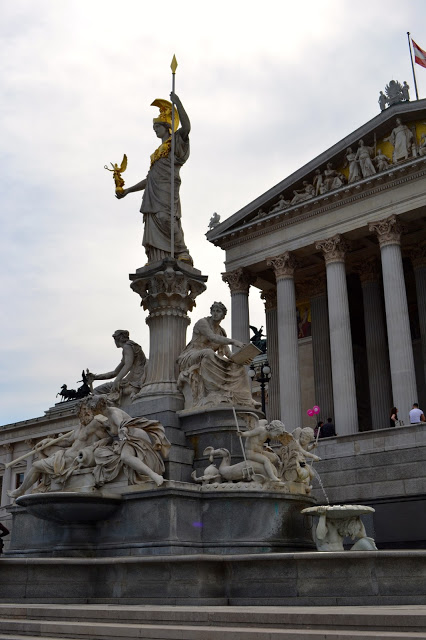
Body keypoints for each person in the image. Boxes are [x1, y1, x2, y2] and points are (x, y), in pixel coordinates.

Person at [116, 92, 192, 265]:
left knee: (166, 217)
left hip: (167, 187)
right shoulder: (156, 153)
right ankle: (157, 258)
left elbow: (187, 127)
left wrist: (178, 103)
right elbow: (149, 179)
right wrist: (128, 190)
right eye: (154, 128)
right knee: (152, 222)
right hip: (153, 191)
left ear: (166, 126)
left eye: (157, 127)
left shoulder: (175, 142)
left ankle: (182, 251)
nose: (155, 130)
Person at [8, 396, 112, 498]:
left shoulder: (95, 424)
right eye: (83, 409)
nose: (86, 412)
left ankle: (20, 491)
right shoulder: (80, 426)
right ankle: (40, 485)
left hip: (73, 460)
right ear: (79, 412)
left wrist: (104, 441)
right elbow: (67, 442)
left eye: (87, 409)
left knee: (36, 466)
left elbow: (109, 437)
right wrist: (49, 441)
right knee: (45, 449)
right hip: (64, 455)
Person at [177, 302, 259, 409]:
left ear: (223, 316)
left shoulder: (221, 332)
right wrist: (234, 342)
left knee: (239, 367)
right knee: (208, 352)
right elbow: (212, 337)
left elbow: (229, 355)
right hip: (191, 356)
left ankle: (246, 398)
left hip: (208, 356)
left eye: (218, 311)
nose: (215, 313)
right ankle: (212, 392)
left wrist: (242, 359)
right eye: (213, 311)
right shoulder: (202, 323)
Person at [92, 404, 171, 488]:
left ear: (98, 408)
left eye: (92, 410)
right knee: (98, 452)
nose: (92, 412)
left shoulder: (114, 413)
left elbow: (123, 425)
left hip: (134, 437)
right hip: (127, 439)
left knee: (125, 457)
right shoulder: (106, 416)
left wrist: (122, 431)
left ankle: (154, 476)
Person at [87, 330, 146, 400]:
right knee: (98, 391)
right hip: (133, 379)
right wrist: (95, 377)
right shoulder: (129, 347)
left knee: (97, 391)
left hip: (134, 381)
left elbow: (128, 365)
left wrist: (117, 380)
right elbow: (115, 373)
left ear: (119, 338)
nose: (114, 342)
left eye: (114, 339)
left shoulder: (127, 347)